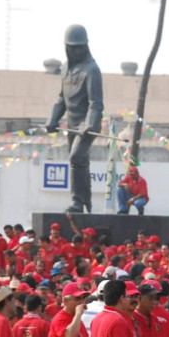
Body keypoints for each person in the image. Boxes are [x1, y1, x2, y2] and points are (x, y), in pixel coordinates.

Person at [45, 24, 104, 214]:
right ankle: (86, 202)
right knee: (81, 163)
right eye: (71, 47)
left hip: (87, 124)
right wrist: (53, 119)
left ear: (85, 46)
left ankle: (77, 202)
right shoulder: (65, 69)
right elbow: (62, 97)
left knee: (76, 157)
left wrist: (90, 124)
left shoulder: (92, 70)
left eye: (78, 47)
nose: (75, 51)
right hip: (71, 124)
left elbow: (96, 103)